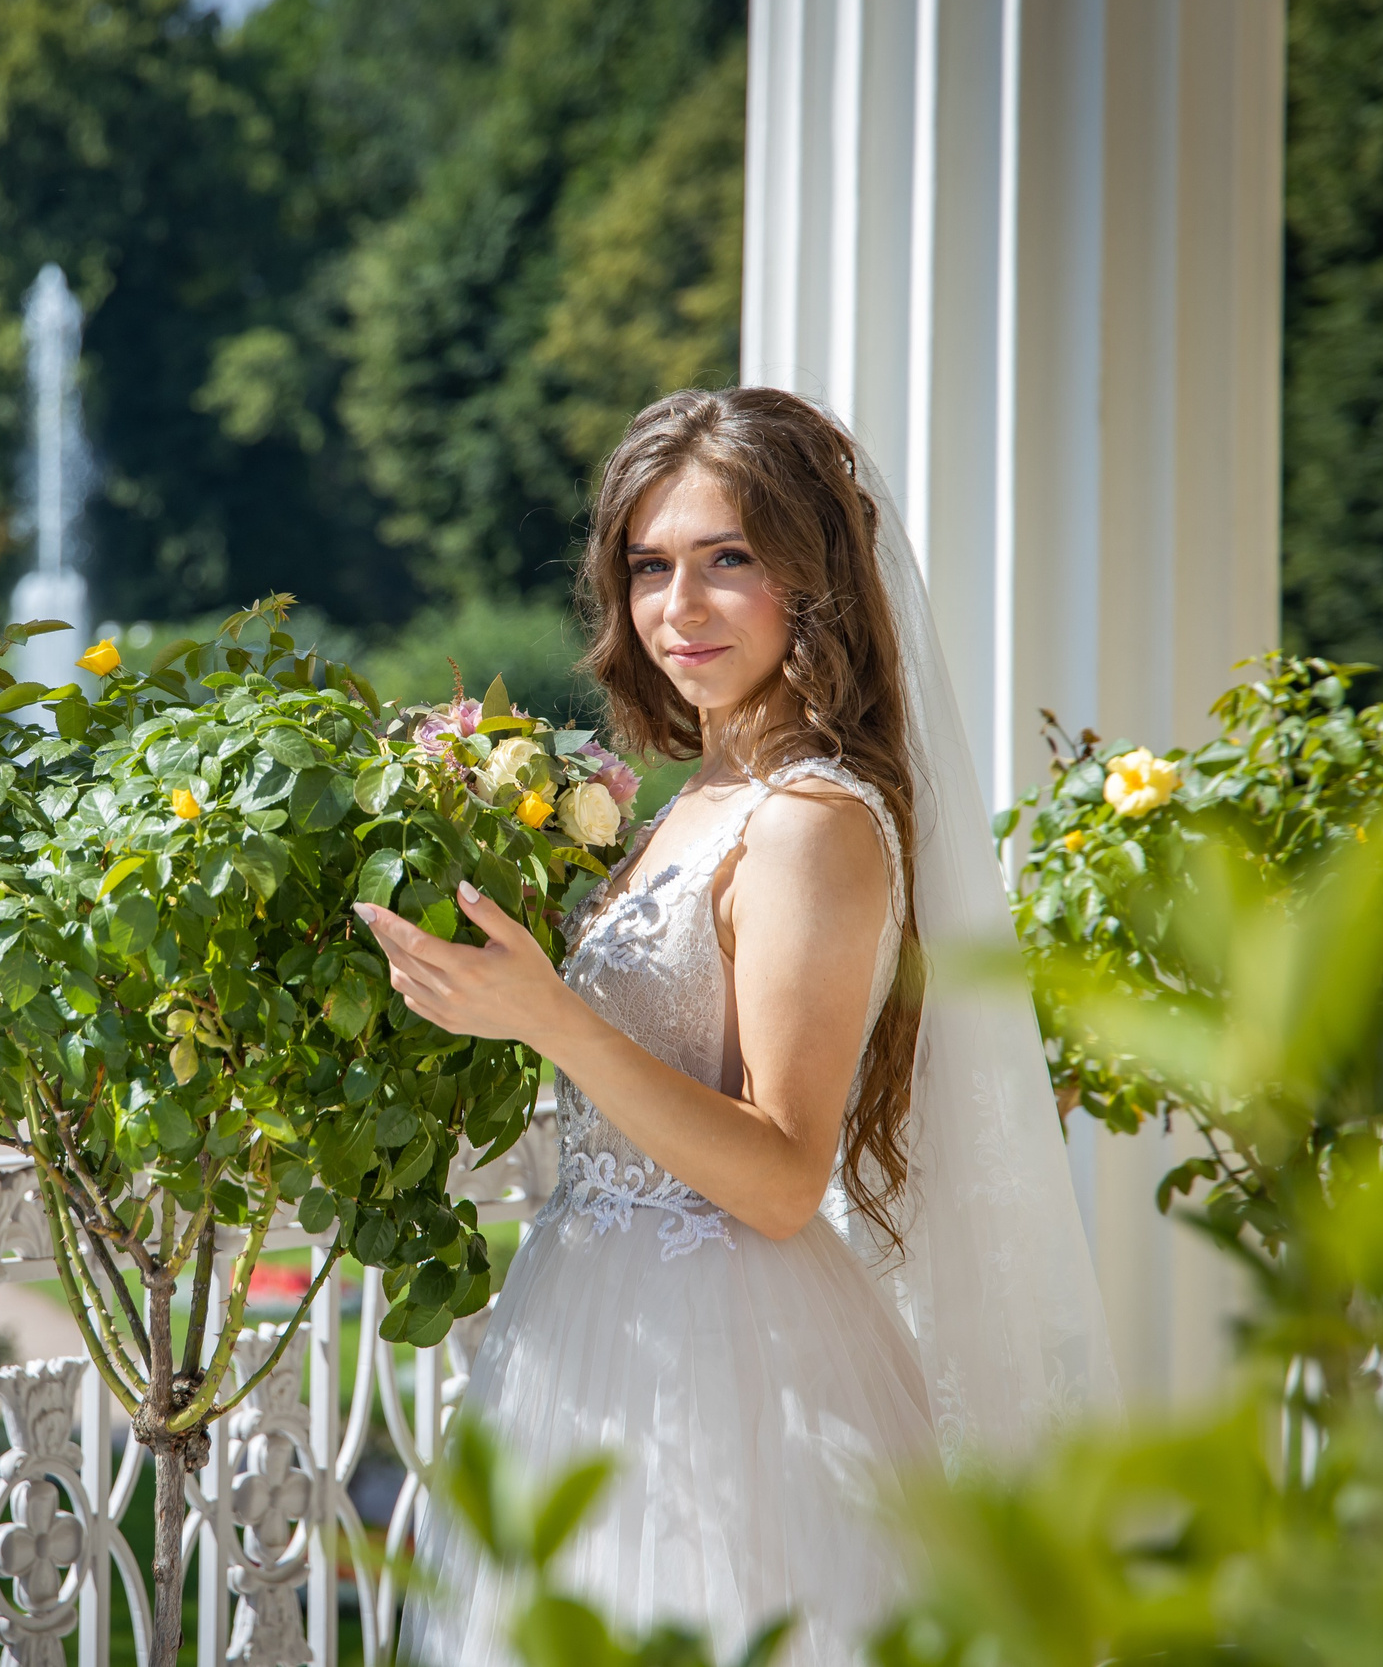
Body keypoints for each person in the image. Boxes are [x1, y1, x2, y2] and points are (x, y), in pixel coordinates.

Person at [365, 388, 1113, 1665]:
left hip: (730, 1369)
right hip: (591, 1330)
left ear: (811, 579)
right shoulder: (695, 798)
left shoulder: (810, 821)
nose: (679, 607)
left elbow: (779, 1176)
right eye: (648, 565)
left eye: (727, 559)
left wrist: (549, 1016)